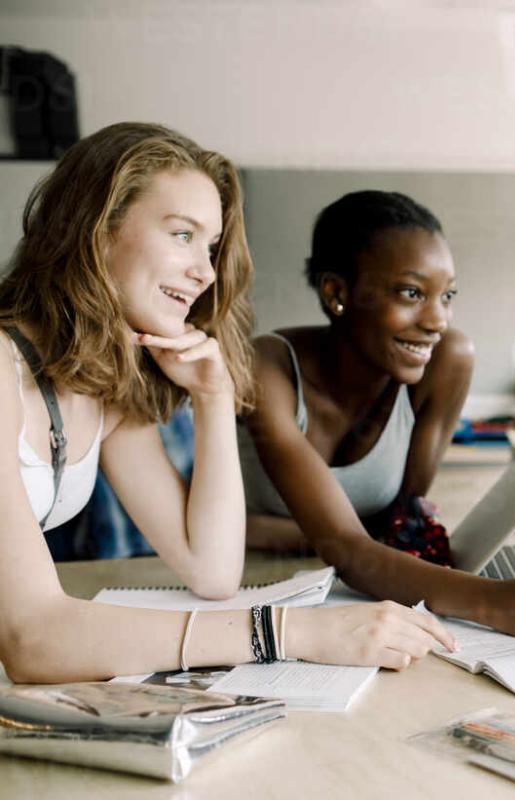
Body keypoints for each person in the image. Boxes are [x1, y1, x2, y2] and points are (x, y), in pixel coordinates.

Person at [0, 123, 454, 684]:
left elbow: (211, 570)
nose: (206, 272)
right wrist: (294, 633)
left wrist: (212, 397)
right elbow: (32, 637)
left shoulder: (101, 388)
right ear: (96, 227)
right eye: (182, 235)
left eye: (211, 246)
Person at [239, 190, 515, 640]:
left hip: (360, 589)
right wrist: (502, 601)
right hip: (249, 591)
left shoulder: (444, 360)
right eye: (412, 293)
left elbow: (400, 523)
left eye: (447, 295)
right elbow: (350, 547)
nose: (437, 320)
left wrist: (313, 534)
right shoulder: (267, 367)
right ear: (337, 292)